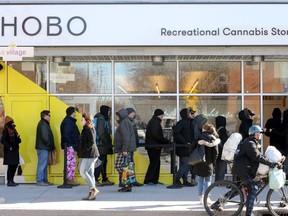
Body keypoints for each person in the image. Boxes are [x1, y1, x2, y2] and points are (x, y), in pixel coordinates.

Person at [232, 125, 281, 216]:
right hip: (243, 170)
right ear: (254, 134)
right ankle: (249, 214)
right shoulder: (250, 143)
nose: (260, 135)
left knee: (238, 189)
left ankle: (219, 202)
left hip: (244, 169)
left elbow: (259, 156)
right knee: (253, 189)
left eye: (260, 133)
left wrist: (270, 161)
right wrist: (271, 164)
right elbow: (256, 157)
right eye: (258, 133)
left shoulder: (252, 142)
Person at [144, 109, 171, 186]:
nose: (163, 117)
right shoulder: (155, 122)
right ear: (160, 115)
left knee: (156, 163)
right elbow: (156, 135)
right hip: (153, 146)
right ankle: (148, 180)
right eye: (162, 115)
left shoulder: (153, 121)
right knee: (154, 163)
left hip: (153, 146)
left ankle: (154, 180)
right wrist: (166, 141)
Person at [194, 123, 219, 204]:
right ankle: (207, 197)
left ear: (204, 129)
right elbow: (216, 153)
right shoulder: (214, 139)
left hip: (199, 162)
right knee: (208, 181)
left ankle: (200, 198)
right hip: (209, 162)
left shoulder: (198, 137)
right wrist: (214, 163)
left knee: (200, 180)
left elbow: (191, 149)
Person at [114, 108, 137, 190]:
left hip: (125, 149)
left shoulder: (124, 123)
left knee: (121, 166)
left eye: (119, 115)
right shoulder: (127, 122)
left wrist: (125, 149)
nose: (118, 117)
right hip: (126, 149)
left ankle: (127, 184)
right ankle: (128, 184)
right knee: (127, 167)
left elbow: (126, 137)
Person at [78, 113, 100, 200]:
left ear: (86, 121)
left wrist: (84, 150)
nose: (81, 121)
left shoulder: (89, 129)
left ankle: (93, 189)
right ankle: (91, 193)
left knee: (83, 171)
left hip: (90, 154)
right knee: (90, 174)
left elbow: (91, 142)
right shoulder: (86, 129)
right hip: (87, 154)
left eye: (82, 119)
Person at [173, 108, 195, 187]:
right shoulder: (181, 123)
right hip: (183, 147)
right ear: (186, 114)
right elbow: (176, 133)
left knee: (187, 163)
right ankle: (177, 178)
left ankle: (184, 179)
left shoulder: (189, 122)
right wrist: (184, 142)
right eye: (189, 113)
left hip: (188, 147)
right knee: (185, 163)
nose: (191, 114)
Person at [93, 105, 114, 187]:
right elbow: (101, 132)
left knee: (103, 162)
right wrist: (107, 142)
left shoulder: (99, 118)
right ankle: (95, 179)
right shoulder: (101, 119)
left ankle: (104, 179)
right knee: (100, 162)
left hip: (100, 144)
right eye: (109, 111)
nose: (110, 113)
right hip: (101, 145)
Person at [60, 106, 80, 186]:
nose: (76, 113)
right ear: (72, 113)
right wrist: (72, 145)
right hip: (69, 146)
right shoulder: (68, 122)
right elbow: (66, 135)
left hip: (68, 145)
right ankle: (69, 179)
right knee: (70, 163)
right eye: (75, 112)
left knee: (70, 163)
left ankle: (69, 179)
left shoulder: (68, 121)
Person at [35, 110, 55, 186]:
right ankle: (40, 181)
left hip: (43, 147)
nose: (50, 117)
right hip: (43, 147)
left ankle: (44, 180)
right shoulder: (43, 124)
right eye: (49, 115)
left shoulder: (44, 123)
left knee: (44, 165)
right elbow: (45, 137)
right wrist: (50, 145)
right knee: (42, 164)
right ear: (45, 116)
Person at [1, 116, 21, 186]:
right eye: (11, 122)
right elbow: (3, 140)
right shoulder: (6, 130)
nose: (13, 123)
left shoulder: (14, 130)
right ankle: (9, 181)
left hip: (15, 150)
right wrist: (9, 147)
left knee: (15, 165)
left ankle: (12, 180)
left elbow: (18, 140)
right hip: (9, 151)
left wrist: (18, 137)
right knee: (11, 166)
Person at [125, 107, 143, 187]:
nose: (134, 114)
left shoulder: (130, 122)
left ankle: (131, 181)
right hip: (128, 148)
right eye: (133, 113)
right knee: (127, 165)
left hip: (130, 147)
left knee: (130, 164)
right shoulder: (126, 122)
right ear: (129, 113)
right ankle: (127, 182)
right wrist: (125, 148)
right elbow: (126, 136)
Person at [215, 115, 229, 181]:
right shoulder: (223, 130)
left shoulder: (216, 129)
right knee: (222, 166)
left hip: (217, 150)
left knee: (218, 166)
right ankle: (220, 181)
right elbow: (225, 141)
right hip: (222, 151)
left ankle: (217, 181)